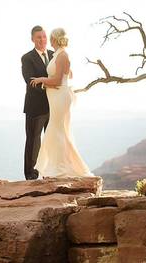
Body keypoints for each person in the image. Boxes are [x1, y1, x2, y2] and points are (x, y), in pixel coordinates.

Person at [29, 28, 93, 178]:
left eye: (50, 38)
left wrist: (41, 80)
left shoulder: (62, 55)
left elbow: (57, 80)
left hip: (60, 98)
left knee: (55, 129)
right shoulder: (57, 54)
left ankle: (60, 168)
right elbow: (66, 73)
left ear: (55, 39)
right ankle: (58, 166)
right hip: (56, 97)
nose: (48, 41)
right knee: (60, 130)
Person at [20, 26, 52, 180]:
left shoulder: (54, 55)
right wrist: (52, 87)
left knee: (52, 140)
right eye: (39, 37)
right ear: (32, 39)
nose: (42, 40)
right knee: (33, 142)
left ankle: (50, 172)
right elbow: (30, 81)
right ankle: (31, 175)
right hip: (35, 107)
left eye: (44, 36)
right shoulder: (27, 58)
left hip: (54, 106)